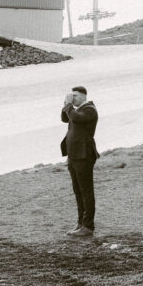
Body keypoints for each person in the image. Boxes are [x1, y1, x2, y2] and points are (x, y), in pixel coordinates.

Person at [60, 86, 99, 237]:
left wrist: (69, 106)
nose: (73, 98)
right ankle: (80, 223)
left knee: (86, 191)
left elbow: (75, 118)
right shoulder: (77, 110)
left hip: (84, 155)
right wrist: (65, 104)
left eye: (75, 96)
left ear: (83, 96)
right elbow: (65, 118)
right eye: (72, 96)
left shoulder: (90, 109)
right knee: (78, 191)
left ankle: (88, 226)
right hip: (74, 155)